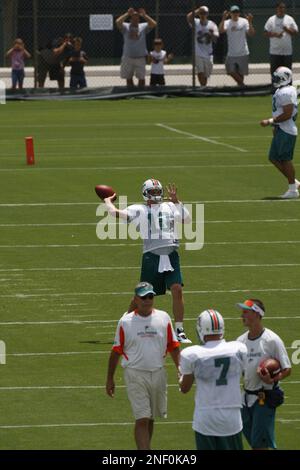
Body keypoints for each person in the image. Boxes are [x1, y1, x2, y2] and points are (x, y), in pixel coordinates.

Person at [104, 179, 192, 343]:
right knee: (140, 296)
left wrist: (177, 201)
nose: (156, 195)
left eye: (158, 192)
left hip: (171, 254)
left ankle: (179, 330)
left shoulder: (170, 206)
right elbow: (115, 213)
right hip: (152, 256)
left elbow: (186, 220)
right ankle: (123, 325)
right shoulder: (138, 209)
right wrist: (107, 201)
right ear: (145, 193)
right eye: (153, 192)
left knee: (177, 289)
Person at [106, 282, 180, 450]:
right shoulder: (125, 322)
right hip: (135, 374)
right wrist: (110, 378)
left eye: (150, 296)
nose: (147, 300)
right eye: (143, 297)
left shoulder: (163, 318)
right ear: (135, 300)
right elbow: (116, 351)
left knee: (151, 417)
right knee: (142, 419)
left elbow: (173, 346)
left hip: (158, 372)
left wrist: (180, 368)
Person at [179, 309, 248, 450]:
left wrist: (181, 378)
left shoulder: (191, 354)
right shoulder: (238, 349)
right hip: (232, 417)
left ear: (201, 329)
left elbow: (184, 388)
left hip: (206, 418)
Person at [236, 299, 292, 450]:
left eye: (246, 312)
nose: (242, 315)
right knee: (255, 442)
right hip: (245, 399)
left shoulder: (272, 340)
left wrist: (273, 378)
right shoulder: (240, 342)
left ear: (257, 314)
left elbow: (287, 369)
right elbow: (238, 371)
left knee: (259, 445)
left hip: (264, 398)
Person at [260, 66, 299, 199]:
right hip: (282, 128)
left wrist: (270, 121)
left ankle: (293, 190)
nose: (274, 80)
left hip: (287, 129)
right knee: (273, 157)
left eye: (277, 78)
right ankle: (295, 183)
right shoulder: (285, 90)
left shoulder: (286, 92)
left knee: (285, 159)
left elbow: (287, 113)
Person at [116, 8, 157, 87]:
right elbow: (118, 22)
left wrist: (145, 15)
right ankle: (130, 94)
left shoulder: (143, 26)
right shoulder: (125, 26)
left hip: (140, 57)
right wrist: (127, 14)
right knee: (128, 77)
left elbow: (154, 24)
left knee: (141, 78)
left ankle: (140, 94)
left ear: (139, 19)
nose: (135, 18)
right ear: (130, 19)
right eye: (133, 16)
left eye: (137, 16)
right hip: (128, 57)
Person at [219, 5, 255, 87]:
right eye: (233, 12)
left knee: (241, 73)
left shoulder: (244, 21)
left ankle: (240, 88)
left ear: (239, 13)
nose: (235, 14)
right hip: (231, 53)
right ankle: (243, 85)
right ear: (230, 13)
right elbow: (221, 31)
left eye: (237, 12)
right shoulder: (227, 22)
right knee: (230, 71)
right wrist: (223, 19)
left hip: (243, 52)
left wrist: (250, 21)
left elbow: (251, 33)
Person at [186, 5, 219, 87]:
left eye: (204, 13)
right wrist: (197, 10)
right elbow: (188, 17)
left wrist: (211, 34)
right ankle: (203, 87)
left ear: (207, 14)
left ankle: (203, 86)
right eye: (201, 13)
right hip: (198, 52)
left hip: (208, 53)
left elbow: (216, 38)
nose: (202, 15)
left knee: (206, 74)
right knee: (200, 71)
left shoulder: (212, 24)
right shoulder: (196, 22)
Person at [264, 1, 298, 77]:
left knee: (287, 73)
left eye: (283, 7)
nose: (282, 9)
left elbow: (295, 32)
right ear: (277, 8)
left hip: (287, 52)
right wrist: (276, 35)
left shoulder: (289, 19)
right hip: (275, 52)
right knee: (275, 74)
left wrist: (287, 30)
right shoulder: (271, 19)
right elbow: (265, 33)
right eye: (280, 7)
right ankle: (275, 88)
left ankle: (287, 88)